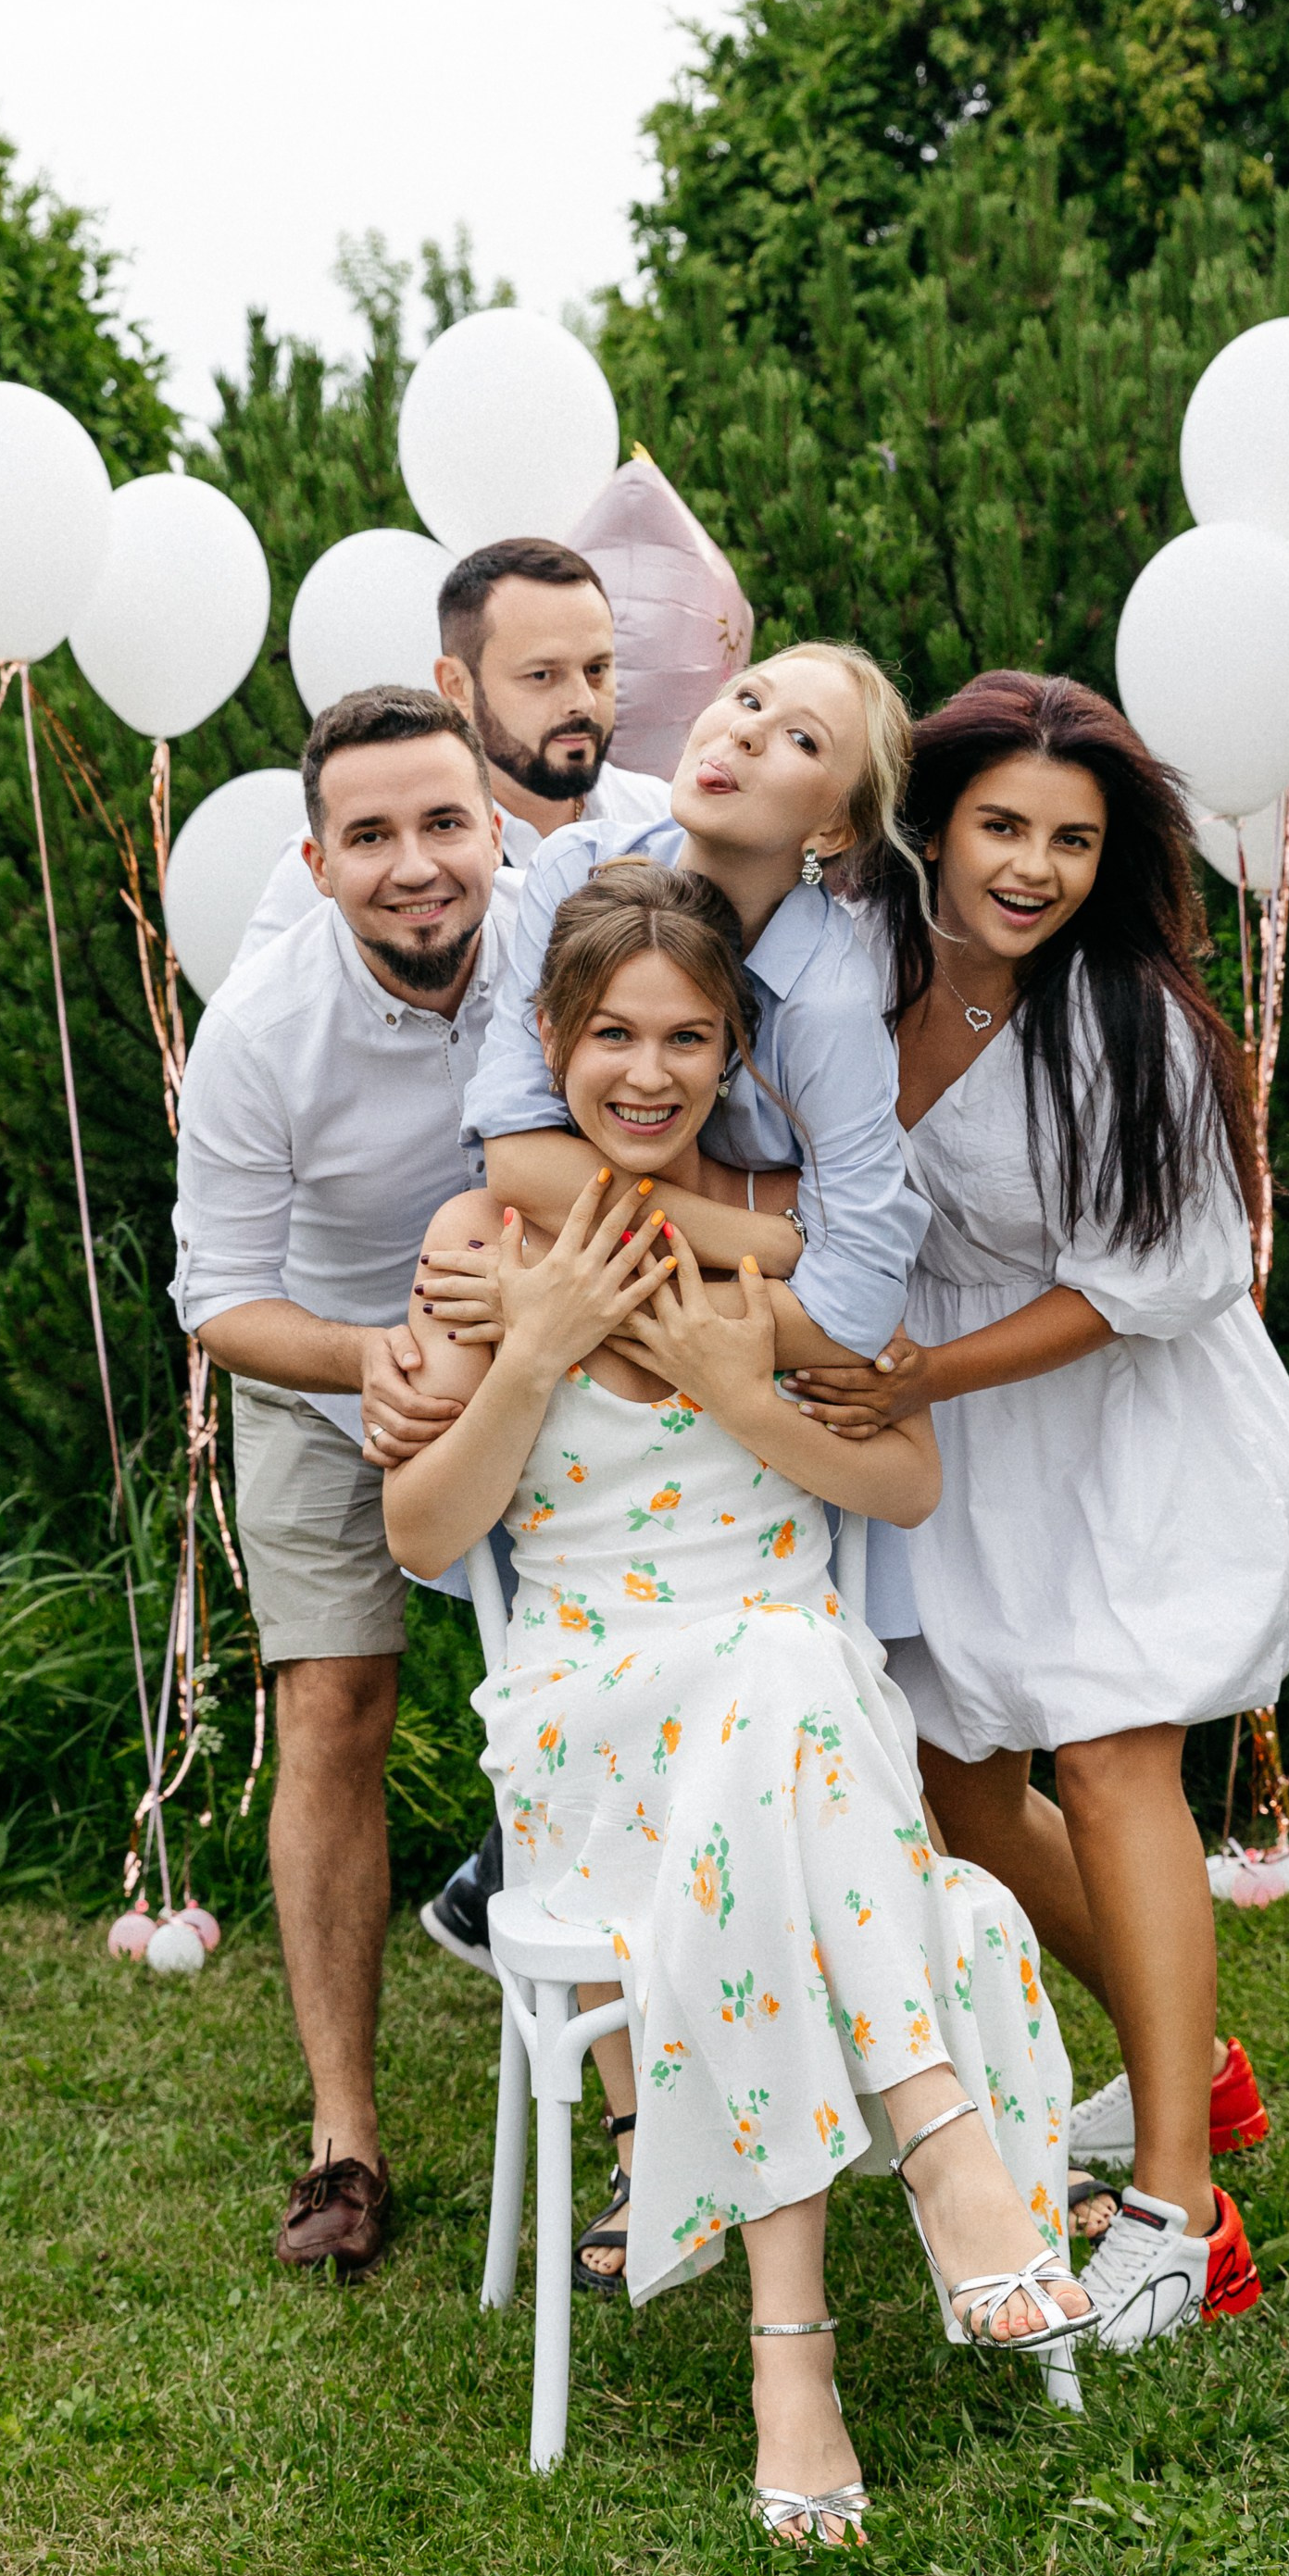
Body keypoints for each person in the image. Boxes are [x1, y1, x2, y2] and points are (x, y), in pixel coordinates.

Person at [382, 859, 1083, 2545]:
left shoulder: (800, 1241)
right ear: (550, 1042)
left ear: (734, 1055)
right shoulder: (486, 1244)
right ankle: (946, 2150)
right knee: (786, 1677)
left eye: (687, 1037)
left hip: (792, 1715)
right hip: (587, 1715)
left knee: (781, 1669)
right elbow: (421, 1530)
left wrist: (733, 1391)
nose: (646, 1071)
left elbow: (902, 1483)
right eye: (611, 1034)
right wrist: (538, 1351)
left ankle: (798, 2360)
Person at [787, 669, 1289, 2350]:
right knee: (956, 1782)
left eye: (1075, 841)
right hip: (962, 1452)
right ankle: (1197, 2064)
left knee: (1105, 1759)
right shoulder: (847, 965)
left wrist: (917, 1383)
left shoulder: (1124, 1019)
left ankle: (1178, 2211)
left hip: (1132, 1434)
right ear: (931, 823)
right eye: (1003, 827)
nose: (1034, 868)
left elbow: (1156, 1278)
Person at [415, 643, 929, 2091]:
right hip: (623, 1318)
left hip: (718, 1388)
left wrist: (654, 1304)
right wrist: (753, 1236)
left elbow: (856, 1289)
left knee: (780, 1655)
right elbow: (514, 1152)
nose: (746, 732)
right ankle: (713, 2123)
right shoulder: (585, 871)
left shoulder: (823, 995)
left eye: (799, 739)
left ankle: (731, 2130)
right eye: (748, 698)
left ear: (832, 826)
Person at [171, 684, 521, 2282]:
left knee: (580, 1688)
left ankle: (638, 2110)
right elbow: (218, 1300)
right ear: (315, 864)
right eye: (369, 836)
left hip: (541, 1365)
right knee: (336, 1716)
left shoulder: (565, 947)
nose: (413, 865)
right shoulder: (257, 1031)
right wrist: (367, 1357)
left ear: (495, 831)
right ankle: (344, 2139)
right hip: (323, 1371)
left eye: (442, 823)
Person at [235, 539, 669, 968]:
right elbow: (251, 1021)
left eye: (597, 670)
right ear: (457, 686)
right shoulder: (349, 858)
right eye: (542, 675)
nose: (584, 702)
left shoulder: (665, 821)